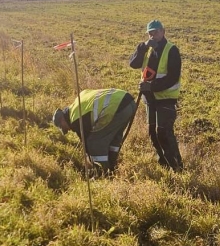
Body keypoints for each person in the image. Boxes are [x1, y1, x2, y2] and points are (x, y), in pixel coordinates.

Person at [129, 19, 183, 170]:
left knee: (164, 133)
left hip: (165, 98)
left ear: (163, 31)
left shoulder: (171, 50)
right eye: (150, 33)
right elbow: (133, 63)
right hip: (150, 99)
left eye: (156, 32)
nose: (153, 35)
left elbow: (172, 77)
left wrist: (151, 86)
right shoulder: (148, 49)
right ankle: (164, 164)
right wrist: (143, 47)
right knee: (152, 133)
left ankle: (177, 167)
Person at [53, 88, 137, 175]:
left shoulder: (75, 119)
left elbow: (87, 144)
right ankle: (112, 166)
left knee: (94, 142)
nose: (69, 130)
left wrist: (91, 164)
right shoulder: (76, 104)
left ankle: (102, 173)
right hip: (127, 101)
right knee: (113, 137)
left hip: (116, 108)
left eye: (64, 128)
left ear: (62, 119)